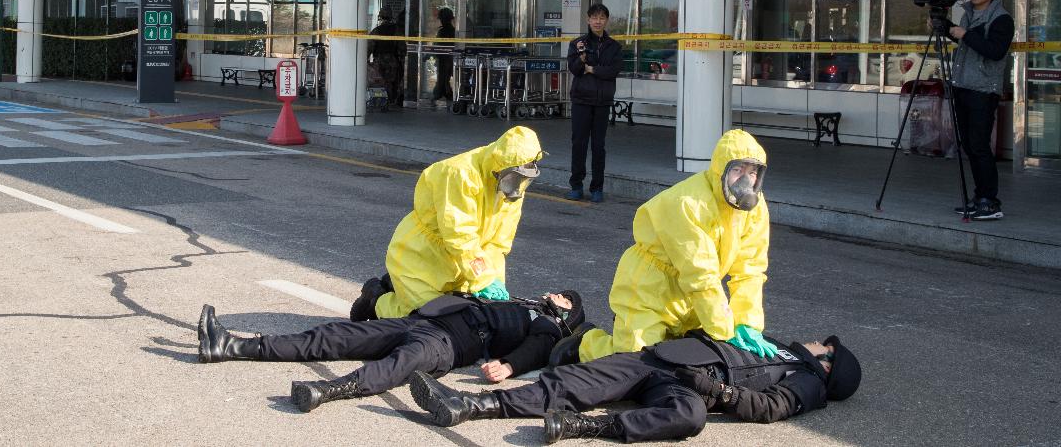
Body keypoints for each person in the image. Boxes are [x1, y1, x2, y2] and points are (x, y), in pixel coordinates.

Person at [408, 328, 861, 443]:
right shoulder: (774, 345)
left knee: (690, 417)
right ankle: (467, 405)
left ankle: (585, 428)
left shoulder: (807, 383)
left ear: (827, 364)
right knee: (576, 380)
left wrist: (715, 389)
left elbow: (768, 408)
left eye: (824, 344)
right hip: (664, 358)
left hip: (694, 387)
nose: (816, 340)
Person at [195, 290, 586, 412]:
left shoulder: (547, 324)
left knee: (399, 365)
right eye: (558, 291)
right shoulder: (517, 301)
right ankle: (232, 345)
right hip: (421, 322)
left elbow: (538, 348)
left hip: (446, 345)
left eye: (565, 298)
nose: (555, 294)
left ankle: (326, 392)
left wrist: (509, 365)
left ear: (568, 312)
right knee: (336, 336)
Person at [568, 129, 771, 364]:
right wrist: (725, 333)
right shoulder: (688, 203)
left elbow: (751, 269)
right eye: (737, 170)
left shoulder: (754, 209)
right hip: (650, 287)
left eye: (752, 172)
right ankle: (585, 343)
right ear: (720, 170)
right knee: (634, 361)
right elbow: (700, 274)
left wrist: (747, 323)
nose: (746, 181)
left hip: (691, 295)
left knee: (682, 359)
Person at [351, 126, 544, 321]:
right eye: (516, 178)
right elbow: (459, 235)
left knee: (460, 318)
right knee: (423, 319)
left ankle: (395, 288)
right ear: (500, 166)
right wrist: (483, 279)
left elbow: (498, 243)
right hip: (421, 257)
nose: (519, 186)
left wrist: (494, 281)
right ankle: (376, 301)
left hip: (463, 264)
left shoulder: (511, 182)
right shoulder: (460, 174)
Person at [945, 0, 1015, 221]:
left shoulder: (1001, 19)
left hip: (983, 91)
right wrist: (947, 28)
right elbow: (966, 44)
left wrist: (966, 34)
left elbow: (995, 51)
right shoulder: (969, 14)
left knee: (979, 145)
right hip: (962, 86)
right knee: (969, 146)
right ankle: (979, 197)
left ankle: (990, 201)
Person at [566, 3, 622, 203]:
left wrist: (592, 69)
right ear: (588, 20)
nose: (598, 21)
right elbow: (574, 69)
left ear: (606, 20)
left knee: (599, 146)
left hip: (602, 102)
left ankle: (597, 187)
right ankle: (576, 185)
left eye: (602, 18)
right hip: (581, 100)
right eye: (594, 17)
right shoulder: (578, 44)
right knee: (578, 144)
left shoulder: (614, 46)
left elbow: (612, 71)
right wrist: (582, 60)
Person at [368, 8, 405, 107]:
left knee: (380, 81)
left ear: (380, 17)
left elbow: (369, 47)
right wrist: (401, 59)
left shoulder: (376, 30)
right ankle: (390, 100)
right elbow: (402, 47)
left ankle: (382, 100)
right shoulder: (397, 30)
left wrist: (367, 59)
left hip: (379, 60)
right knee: (391, 81)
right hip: (392, 60)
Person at [432, 6, 457, 104]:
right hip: (449, 60)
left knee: (442, 79)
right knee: (445, 79)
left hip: (443, 60)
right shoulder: (453, 31)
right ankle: (445, 94)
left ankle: (440, 94)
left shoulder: (442, 31)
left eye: (441, 19)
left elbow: (437, 46)